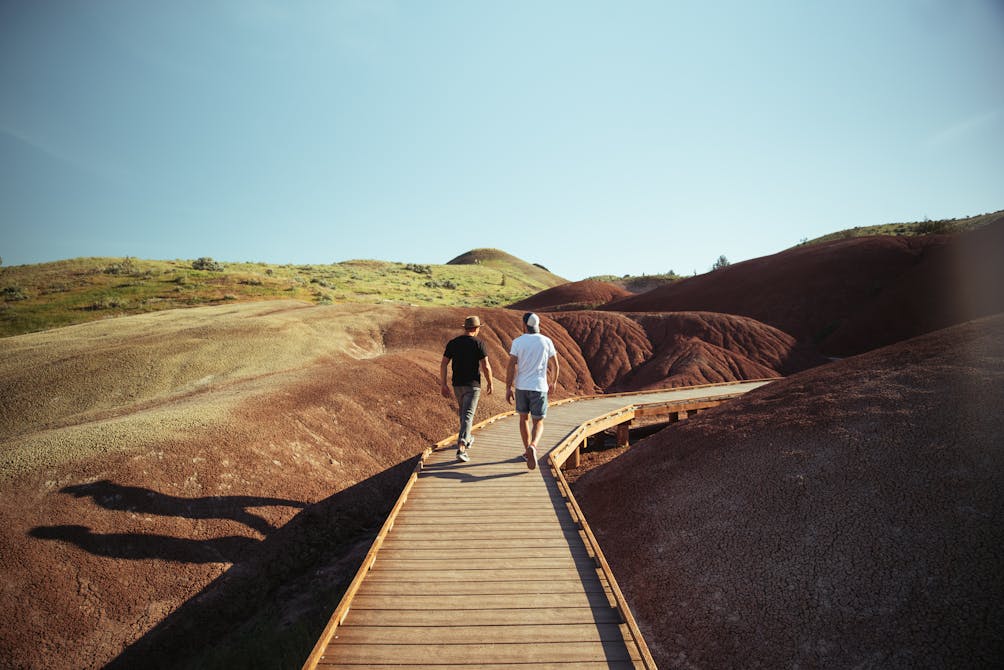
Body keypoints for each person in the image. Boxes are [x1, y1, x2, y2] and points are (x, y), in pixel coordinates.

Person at [505, 312, 559, 470]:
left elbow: (511, 365)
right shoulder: (546, 341)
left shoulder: (518, 342)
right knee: (538, 421)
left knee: (523, 419)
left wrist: (508, 387)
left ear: (524, 325)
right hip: (539, 387)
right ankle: (533, 446)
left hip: (521, 386)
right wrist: (553, 382)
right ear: (537, 325)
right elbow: (556, 364)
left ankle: (527, 450)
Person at [441, 315, 494, 462]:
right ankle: (461, 448)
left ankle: (468, 438)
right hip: (473, 385)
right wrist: (490, 382)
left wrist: (443, 383)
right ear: (477, 329)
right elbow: (486, 366)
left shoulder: (453, 343)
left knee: (464, 414)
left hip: (457, 384)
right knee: (468, 415)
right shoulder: (479, 344)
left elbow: (444, 364)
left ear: (465, 328)